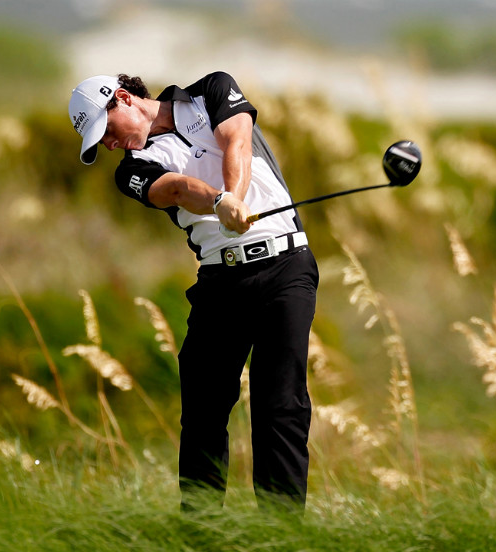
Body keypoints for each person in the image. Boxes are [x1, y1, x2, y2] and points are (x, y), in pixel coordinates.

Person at [68, 71, 318, 513]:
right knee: (203, 411)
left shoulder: (211, 91)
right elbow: (177, 190)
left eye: (105, 131)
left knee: (280, 405)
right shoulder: (131, 170)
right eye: (100, 143)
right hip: (221, 283)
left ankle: (282, 537)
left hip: (285, 268)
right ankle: (202, 532)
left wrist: (234, 196)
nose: (109, 145)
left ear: (123, 98)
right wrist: (222, 204)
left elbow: (237, 140)